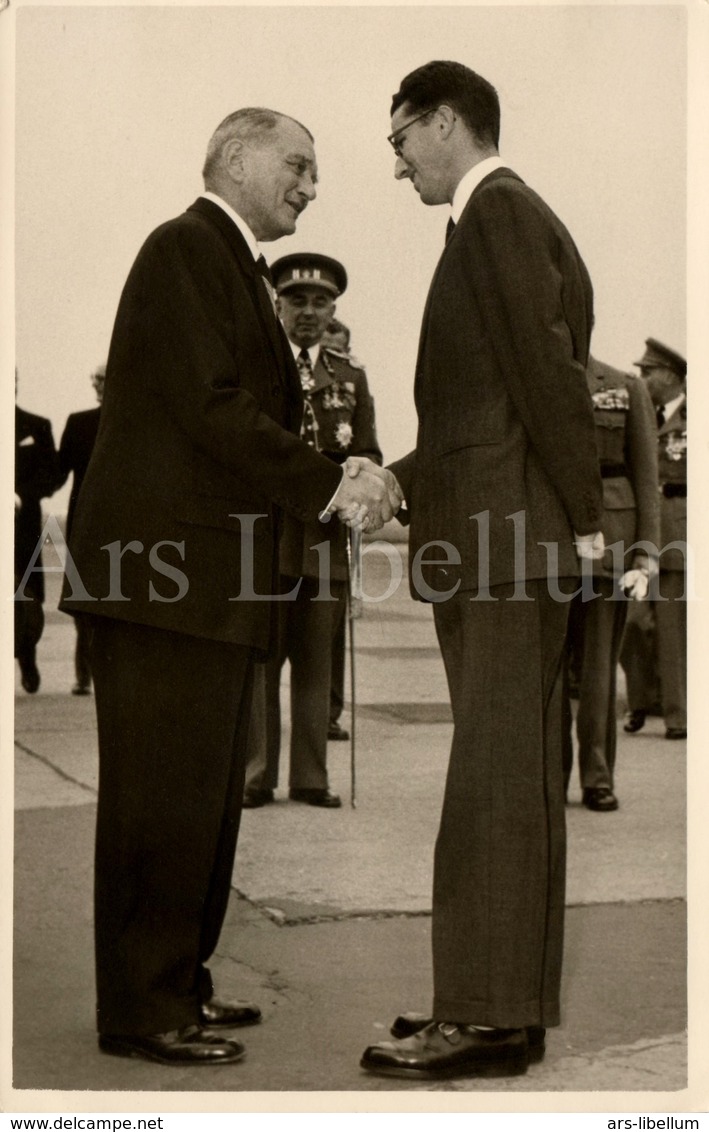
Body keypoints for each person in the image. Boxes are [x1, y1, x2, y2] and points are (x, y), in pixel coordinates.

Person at [59, 107, 400, 1067]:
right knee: (159, 802)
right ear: (237, 160)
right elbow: (214, 407)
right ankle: (141, 1008)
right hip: (166, 586)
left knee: (202, 801)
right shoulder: (184, 248)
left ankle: (181, 981)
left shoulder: (226, 261)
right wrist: (336, 481)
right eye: (297, 165)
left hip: (209, 583)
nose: (309, 185)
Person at [358, 61, 603, 1081]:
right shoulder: (494, 220)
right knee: (507, 776)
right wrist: (395, 478)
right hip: (497, 536)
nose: (398, 161)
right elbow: (481, 414)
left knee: (496, 781)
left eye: (401, 137)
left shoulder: (495, 213)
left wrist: (585, 522)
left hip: (506, 549)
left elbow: (550, 378)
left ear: (446, 121)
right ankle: (494, 998)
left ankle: (489, 1016)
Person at [243, 256, 382, 808]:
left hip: (322, 534)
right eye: (296, 300)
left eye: (319, 302)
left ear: (333, 310)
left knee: (315, 658)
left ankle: (310, 777)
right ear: (277, 303)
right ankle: (257, 774)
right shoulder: (256, 363)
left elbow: (369, 448)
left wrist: (359, 473)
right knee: (261, 656)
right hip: (266, 528)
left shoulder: (349, 375)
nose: (307, 312)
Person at [561, 354, 659, 812]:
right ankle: (549, 773)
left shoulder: (624, 386)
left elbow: (645, 473)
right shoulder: (537, 377)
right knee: (548, 672)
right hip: (549, 543)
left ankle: (597, 777)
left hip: (612, 545)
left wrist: (646, 550)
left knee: (599, 671)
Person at [620, 339, 687, 740]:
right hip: (644, 533)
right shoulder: (643, 414)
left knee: (672, 629)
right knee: (630, 623)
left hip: (678, 530)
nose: (642, 379)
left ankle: (678, 716)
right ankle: (641, 700)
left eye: (649, 372)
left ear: (671, 377)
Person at [57, 364, 105, 694]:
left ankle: (90, 675)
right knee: (81, 602)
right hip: (85, 524)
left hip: (110, 522)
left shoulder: (133, 421)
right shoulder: (80, 423)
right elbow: (57, 472)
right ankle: (84, 675)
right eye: (96, 379)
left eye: (102, 378)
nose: (97, 383)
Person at [14, 378, 61, 694]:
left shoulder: (36, 426)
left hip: (23, 524)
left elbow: (52, 475)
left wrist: (19, 496)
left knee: (27, 593)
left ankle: (26, 657)